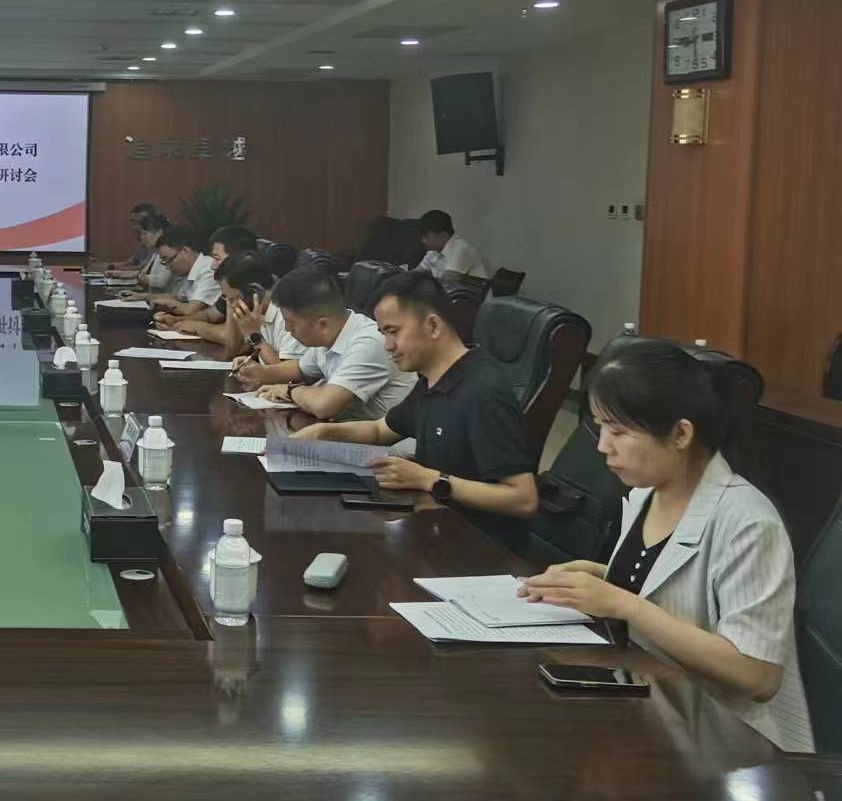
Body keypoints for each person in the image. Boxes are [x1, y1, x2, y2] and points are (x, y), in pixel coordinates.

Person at [519, 341, 812, 752]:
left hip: (726, 741)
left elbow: (757, 675)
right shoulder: (645, 493)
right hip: (652, 709)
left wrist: (622, 602)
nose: (602, 446)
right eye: (600, 427)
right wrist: (601, 577)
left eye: (618, 431)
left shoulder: (749, 523)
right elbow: (669, 586)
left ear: (680, 434)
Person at [295, 271, 537, 518]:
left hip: (473, 534)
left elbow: (523, 499)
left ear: (433, 325)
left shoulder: (483, 391)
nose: (388, 345)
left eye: (394, 331)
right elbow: (380, 431)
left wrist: (428, 478)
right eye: (384, 334)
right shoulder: (431, 381)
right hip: (432, 519)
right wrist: (324, 432)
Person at [246, 264, 416, 421]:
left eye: (291, 323)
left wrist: (290, 391)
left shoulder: (369, 342)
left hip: (382, 439)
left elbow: (325, 406)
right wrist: (259, 372)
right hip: (344, 430)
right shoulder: (332, 334)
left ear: (322, 324)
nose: (287, 329)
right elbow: (299, 369)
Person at [156, 225, 260, 339]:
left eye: (217, 258)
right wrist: (175, 320)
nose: (212, 266)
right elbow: (210, 315)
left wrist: (196, 327)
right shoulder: (232, 285)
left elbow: (232, 336)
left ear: (239, 257)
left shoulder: (254, 287)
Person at [142, 226, 218, 316]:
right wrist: (143, 297)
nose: (167, 267)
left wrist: (168, 303)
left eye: (168, 260)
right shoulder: (190, 271)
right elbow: (178, 297)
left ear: (185, 250)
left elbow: (191, 311)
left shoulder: (208, 270)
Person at [414, 209, 492, 281]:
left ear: (443, 236)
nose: (423, 241)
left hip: (472, 291)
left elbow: (447, 284)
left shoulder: (461, 249)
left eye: (426, 237)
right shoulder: (433, 252)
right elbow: (415, 275)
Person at [105, 202, 160, 273]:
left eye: (137, 222)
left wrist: (113, 269)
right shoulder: (143, 242)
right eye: (132, 222)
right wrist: (108, 266)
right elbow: (130, 262)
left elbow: (144, 269)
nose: (133, 227)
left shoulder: (158, 242)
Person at [136, 214, 176, 291]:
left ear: (159, 233)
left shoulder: (169, 251)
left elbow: (161, 282)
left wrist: (140, 276)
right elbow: (143, 273)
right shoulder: (155, 252)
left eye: (144, 233)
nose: (142, 237)